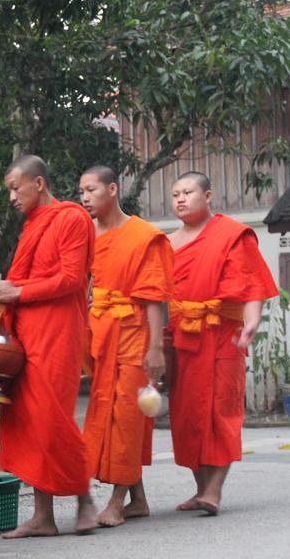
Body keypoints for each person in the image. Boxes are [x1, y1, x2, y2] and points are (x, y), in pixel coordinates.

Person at [0, 154, 98, 537]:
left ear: (38, 184)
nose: (11, 197)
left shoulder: (70, 218)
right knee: (30, 420)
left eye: (15, 188)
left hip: (57, 331)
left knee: (51, 417)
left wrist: (18, 292)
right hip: (27, 331)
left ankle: (84, 498)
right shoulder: (33, 224)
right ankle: (44, 517)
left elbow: (72, 280)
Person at [166, 172, 277, 515]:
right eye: (175, 194)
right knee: (188, 415)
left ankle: (214, 490)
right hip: (182, 336)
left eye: (188, 192)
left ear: (208, 195)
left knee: (222, 411)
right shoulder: (168, 243)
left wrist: (253, 320)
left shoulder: (231, 234)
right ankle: (201, 488)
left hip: (222, 334)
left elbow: (252, 282)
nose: (180, 199)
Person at [78, 165, 173, 527]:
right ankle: (139, 500)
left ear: (113, 189)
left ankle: (117, 500)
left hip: (134, 334)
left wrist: (155, 349)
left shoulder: (142, 236)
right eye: (81, 191)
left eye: (92, 189)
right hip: (101, 333)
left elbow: (153, 299)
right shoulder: (87, 234)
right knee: (106, 413)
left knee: (127, 418)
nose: (85, 197)